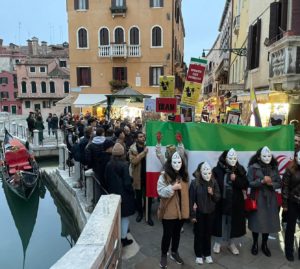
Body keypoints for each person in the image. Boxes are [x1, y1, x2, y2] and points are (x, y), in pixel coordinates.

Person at [212, 148, 248, 255]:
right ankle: (218, 242)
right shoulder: (217, 170)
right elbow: (213, 184)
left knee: (233, 223)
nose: (232, 160)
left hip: (235, 203)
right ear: (225, 158)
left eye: (234, 158)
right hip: (221, 202)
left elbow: (245, 184)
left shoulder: (240, 169)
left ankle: (231, 243)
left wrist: (236, 179)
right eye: (230, 158)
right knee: (221, 223)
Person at [247, 146, 281, 257]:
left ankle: (264, 245)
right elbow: (249, 183)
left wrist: (272, 184)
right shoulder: (253, 168)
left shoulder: (274, 167)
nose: (267, 158)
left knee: (268, 222)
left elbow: (279, 182)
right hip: (257, 198)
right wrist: (261, 181)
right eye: (264, 156)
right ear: (259, 157)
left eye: (269, 156)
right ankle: (255, 244)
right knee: (256, 222)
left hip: (270, 200)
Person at [157, 152, 189, 268]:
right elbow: (160, 191)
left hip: (182, 210)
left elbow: (186, 193)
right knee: (167, 234)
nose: (177, 164)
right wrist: (172, 187)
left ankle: (174, 252)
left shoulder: (184, 176)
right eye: (174, 162)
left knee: (177, 234)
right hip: (169, 211)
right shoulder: (164, 176)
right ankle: (164, 255)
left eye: (179, 162)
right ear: (170, 163)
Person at [104, 143, 135, 247]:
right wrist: (131, 190)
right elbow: (127, 183)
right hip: (124, 195)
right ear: (122, 154)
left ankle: (118, 237)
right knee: (125, 217)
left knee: (117, 216)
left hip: (113, 193)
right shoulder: (124, 165)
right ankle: (123, 239)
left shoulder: (109, 164)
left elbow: (106, 179)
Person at [189, 162, 220, 265]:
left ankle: (207, 253)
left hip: (210, 212)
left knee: (208, 234)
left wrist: (212, 193)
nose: (207, 175)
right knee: (199, 234)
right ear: (200, 172)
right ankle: (198, 254)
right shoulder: (194, 183)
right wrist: (192, 215)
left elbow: (217, 197)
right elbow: (191, 200)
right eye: (205, 172)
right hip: (199, 213)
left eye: (209, 173)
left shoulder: (213, 182)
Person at [129, 131, 153, 225]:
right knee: (138, 197)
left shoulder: (149, 146)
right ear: (136, 139)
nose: (142, 138)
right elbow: (134, 161)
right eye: (140, 137)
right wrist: (143, 153)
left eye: (143, 136)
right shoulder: (132, 149)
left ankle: (148, 215)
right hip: (138, 177)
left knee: (149, 196)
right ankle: (140, 213)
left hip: (148, 176)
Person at [282, 150, 300, 261]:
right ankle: (289, 250)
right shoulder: (290, 169)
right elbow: (285, 187)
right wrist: (285, 204)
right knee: (290, 228)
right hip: (293, 202)